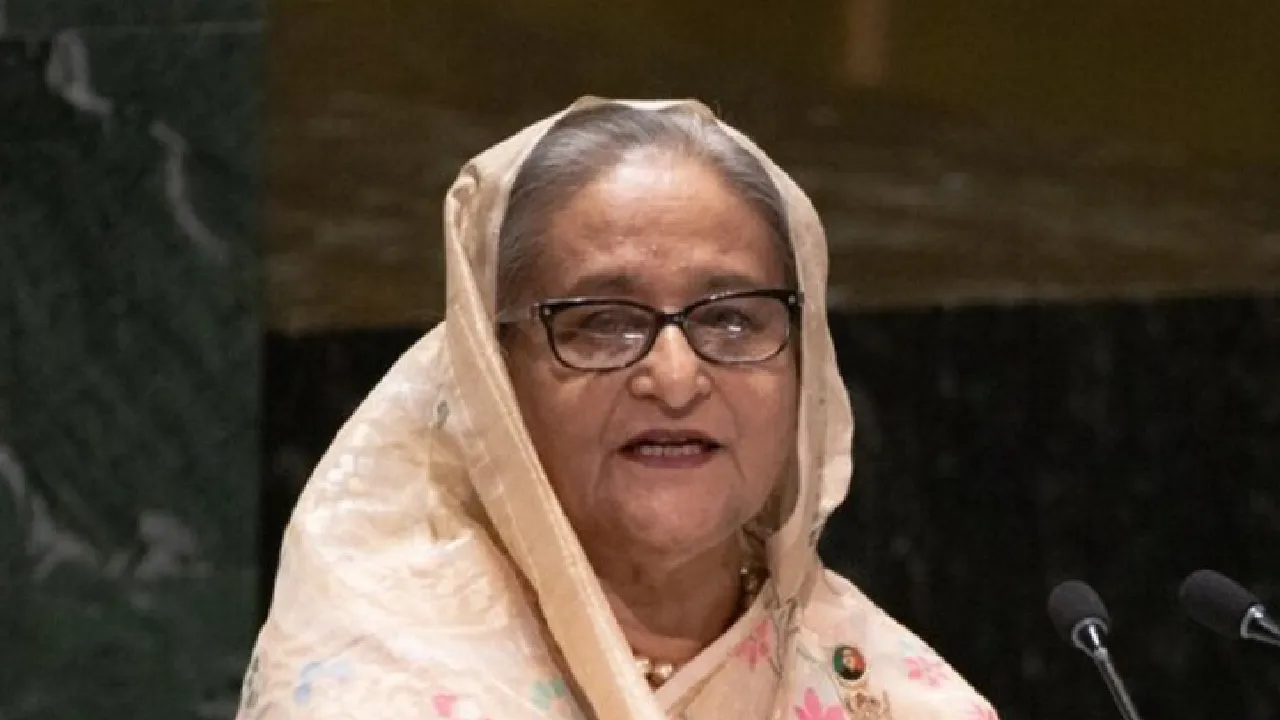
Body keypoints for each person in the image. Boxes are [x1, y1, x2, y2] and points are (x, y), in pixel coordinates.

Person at [237, 97, 996, 720]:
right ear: (493, 375)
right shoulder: (374, 692)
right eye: (604, 322)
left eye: (732, 319)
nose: (675, 378)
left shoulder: (892, 698)